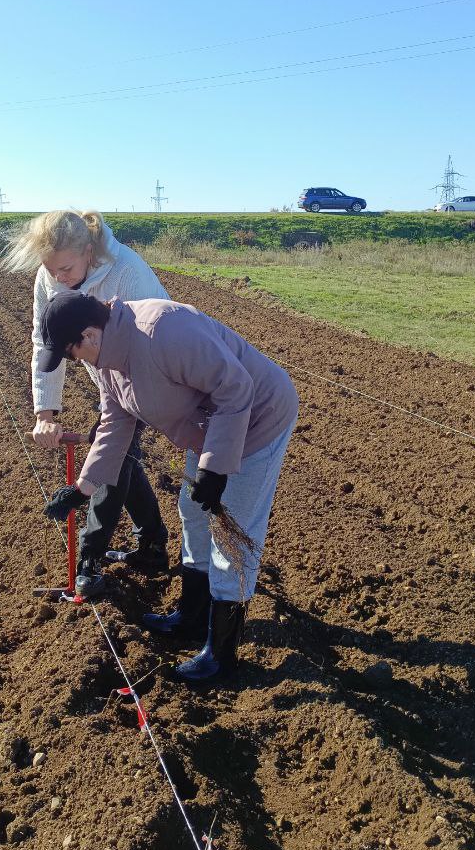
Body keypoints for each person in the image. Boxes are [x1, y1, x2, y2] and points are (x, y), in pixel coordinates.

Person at [39, 291, 298, 684]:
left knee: (233, 531)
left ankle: (222, 656)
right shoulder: (109, 360)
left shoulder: (163, 330)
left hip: (258, 419)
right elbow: (115, 422)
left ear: (89, 335)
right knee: (193, 511)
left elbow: (236, 389)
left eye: (73, 353)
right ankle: (191, 617)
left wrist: (214, 470)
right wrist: (83, 488)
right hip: (210, 427)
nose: (75, 362)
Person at [2, 210, 170, 597]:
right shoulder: (51, 275)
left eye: (65, 268)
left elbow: (150, 336)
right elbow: (46, 341)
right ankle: (152, 545)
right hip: (105, 374)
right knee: (118, 454)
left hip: (147, 371)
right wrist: (46, 411)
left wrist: (123, 409)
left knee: (110, 454)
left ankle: (90, 561)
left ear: (89, 251)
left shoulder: (127, 271)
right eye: (49, 269)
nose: (57, 277)